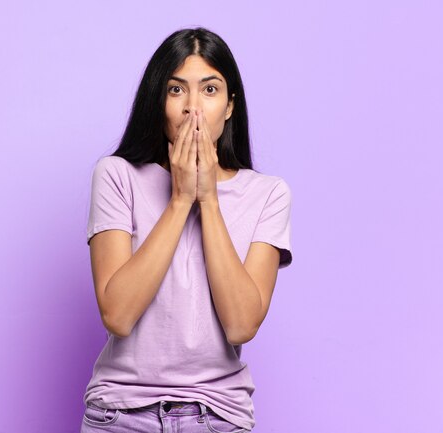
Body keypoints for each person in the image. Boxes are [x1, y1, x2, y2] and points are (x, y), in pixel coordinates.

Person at [81, 27, 293, 433]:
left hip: (218, 417)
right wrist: (180, 200)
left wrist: (208, 199)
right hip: (120, 415)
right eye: (176, 90)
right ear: (157, 102)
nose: (192, 109)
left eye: (209, 91)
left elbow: (241, 324)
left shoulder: (268, 194)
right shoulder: (116, 176)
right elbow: (118, 315)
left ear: (230, 106)